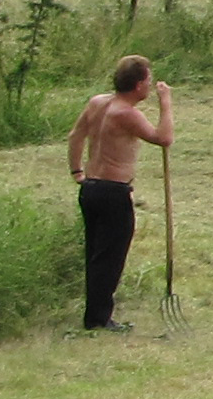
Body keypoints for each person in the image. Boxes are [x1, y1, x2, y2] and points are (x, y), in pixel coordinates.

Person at [67, 55, 172, 332]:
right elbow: (163, 138)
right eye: (148, 80)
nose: (150, 86)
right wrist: (165, 102)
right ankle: (98, 320)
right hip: (113, 191)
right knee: (110, 257)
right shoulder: (126, 113)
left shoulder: (97, 103)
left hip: (90, 188)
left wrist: (77, 172)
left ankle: (96, 313)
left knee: (96, 253)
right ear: (138, 84)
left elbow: (75, 136)